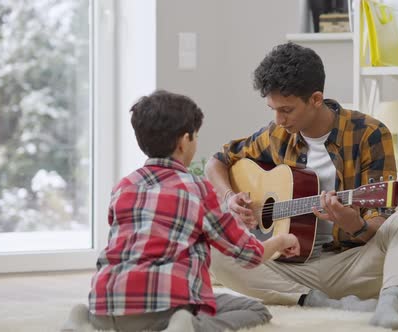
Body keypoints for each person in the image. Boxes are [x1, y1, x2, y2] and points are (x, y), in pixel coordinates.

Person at [205, 43, 398, 330]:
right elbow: (217, 161)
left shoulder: (369, 133)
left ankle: (388, 306)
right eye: (273, 110)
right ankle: (317, 301)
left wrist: (353, 222)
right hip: (288, 269)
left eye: (286, 110)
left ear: (316, 99)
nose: (278, 120)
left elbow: (379, 221)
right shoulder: (275, 135)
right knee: (213, 251)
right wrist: (231, 197)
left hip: (349, 265)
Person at [60, 90, 300, 332]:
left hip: (105, 304)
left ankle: (82, 320)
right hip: (165, 307)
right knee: (256, 310)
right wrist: (282, 240)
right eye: (195, 137)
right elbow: (249, 255)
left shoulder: (124, 187)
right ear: (184, 141)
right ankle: (187, 326)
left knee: (106, 311)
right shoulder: (197, 189)